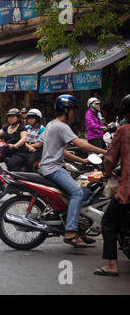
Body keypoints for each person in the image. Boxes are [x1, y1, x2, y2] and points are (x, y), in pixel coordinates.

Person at [38, 94, 107, 248]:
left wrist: (82, 161)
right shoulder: (62, 127)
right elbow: (82, 145)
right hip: (53, 169)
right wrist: (105, 151)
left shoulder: (51, 124)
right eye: (73, 110)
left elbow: (59, 151)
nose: (74, 113)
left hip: (49, 166)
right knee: (77, 192)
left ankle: (80, 229)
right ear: (66, 110)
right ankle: (70, 232)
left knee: (80, 189)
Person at [94, 94, 130, 276]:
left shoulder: (123, 130)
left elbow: (109, 158)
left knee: (108, 221)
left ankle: (112, 265)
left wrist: (108, 173)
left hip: (128, 191)